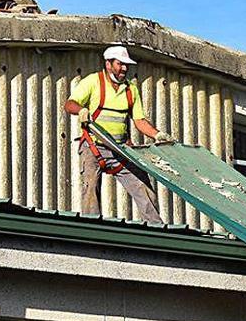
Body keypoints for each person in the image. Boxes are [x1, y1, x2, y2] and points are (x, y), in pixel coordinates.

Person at [64, 46, 172, 224]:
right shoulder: (93, 82)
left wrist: (158, 135)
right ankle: (92, 228)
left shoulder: (131, 90)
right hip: (94, 146)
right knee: (90, 187)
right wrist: (81, 110)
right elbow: (69, 104)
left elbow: (140, 122)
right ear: (108, 64)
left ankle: (156, 227)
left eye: (126, 65)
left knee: (142, 184)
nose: (124, 69)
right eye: (120, 64)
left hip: (120, 149)